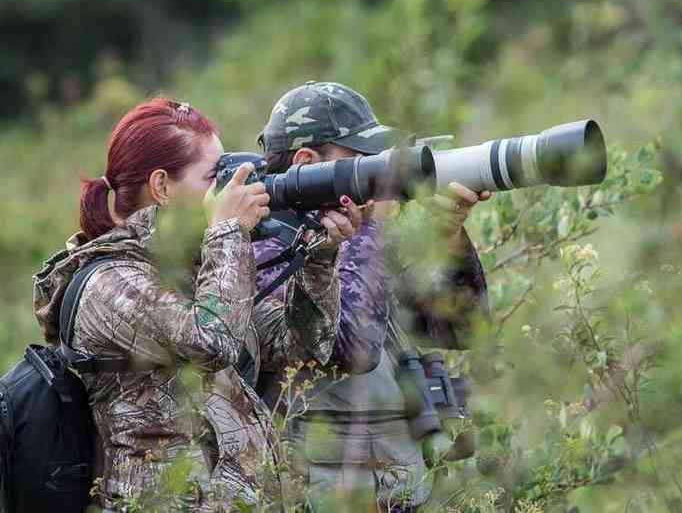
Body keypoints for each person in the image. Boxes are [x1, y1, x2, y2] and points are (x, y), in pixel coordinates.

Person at [32, 98, 363, 511]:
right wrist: (227, 231)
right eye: (214, 176)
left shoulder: (188, 267)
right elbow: (212, 341)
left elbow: (299, 346)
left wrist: (320, 254)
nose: (228, 187)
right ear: (162, 187)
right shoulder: (108, 283)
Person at [253, 81, 490, 512]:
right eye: (362, 160)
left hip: (398, 487)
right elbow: (352, 348)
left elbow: (461, 327)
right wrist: (372, 232)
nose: (379, 173)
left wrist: (449, 236)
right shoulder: (263, 247)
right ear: (307, 163)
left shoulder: (363, 234)